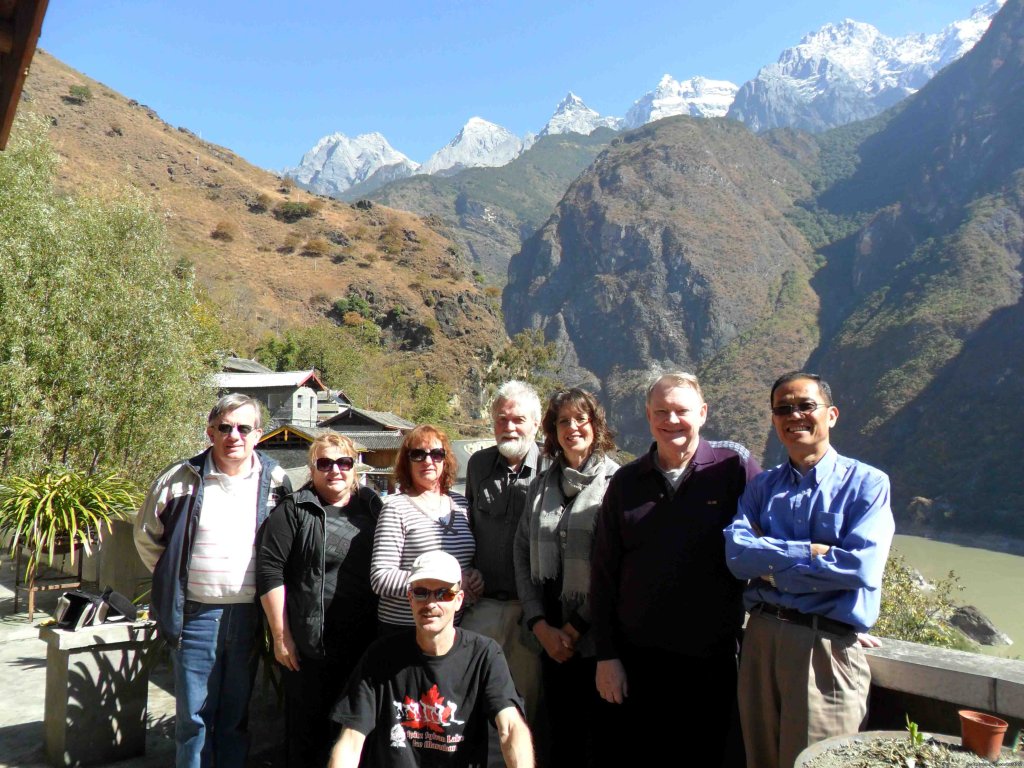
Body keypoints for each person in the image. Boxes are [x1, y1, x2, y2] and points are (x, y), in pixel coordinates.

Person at [724, 372, 895, 768]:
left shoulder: (867, 484)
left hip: (824, 648)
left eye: (806, 406)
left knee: (818, 761)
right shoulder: (761, 488)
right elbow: (736, 557)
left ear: (831, 415)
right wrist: (809, 551)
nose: (794, 415)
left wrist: (771, 569)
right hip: (761, 641)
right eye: (783, 409)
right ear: (773, 420)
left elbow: (858, 567)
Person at [590, 373, 760, 767]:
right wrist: (607, 656)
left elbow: (776, 537)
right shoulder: (627, 482)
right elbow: (603, 574)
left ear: (702, 413)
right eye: (661, 412)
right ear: (648, 416)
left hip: (713, 663)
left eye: (681, 411)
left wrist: (826, 605)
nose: (671, 421)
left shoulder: (734, 470)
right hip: (639, 665)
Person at [134, 394, 292, 768]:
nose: (233, 435)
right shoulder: (180, 479)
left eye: (243, 428)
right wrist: (176, 575)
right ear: (210, 432)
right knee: (193, 720)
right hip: (194, 615)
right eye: (224, 427)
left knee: (235, 715)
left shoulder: (277, 482)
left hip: (249, 617)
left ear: (259, 434)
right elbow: (146, 535)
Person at [328, 551, 534, 768]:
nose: (431, 603)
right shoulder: (380, 656)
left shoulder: (484, 654)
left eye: (443, 594)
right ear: (410, 598)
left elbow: (511, 728)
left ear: (459, 600)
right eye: (421, 592)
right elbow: (351, 740)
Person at [256, 433, 383, 768]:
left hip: (365, 645)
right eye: (324, 463)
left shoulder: (372, 506)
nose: (335, 471)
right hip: (311, 647)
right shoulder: (294, 510)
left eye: (344, 463)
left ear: (355, 467)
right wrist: (281, 638)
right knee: (308, 738)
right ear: (312, 469)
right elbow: (270, 571)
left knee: (358, 734)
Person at [513, 387, 618, 766]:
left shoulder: (616, 484)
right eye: (563, 421)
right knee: (558, 734)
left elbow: (614, 567)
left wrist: (573, 630)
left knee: (599, 737)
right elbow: (521, 552)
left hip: (595, 634)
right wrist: (539, 623)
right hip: (548, 634)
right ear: (552, 431)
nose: (572, 427)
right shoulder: (541, 485)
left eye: (580, 419)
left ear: (595, 425)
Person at [462, 381, 545, 722]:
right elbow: (467, 525)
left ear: (536, 424)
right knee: (473, 702)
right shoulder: (478, 465)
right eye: (501, 419)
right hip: (483, 607)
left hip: (530, 613)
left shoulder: (552, 468)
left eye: (518, 419)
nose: (508, 427)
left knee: (526, 708)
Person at [371, 424, 482, 633]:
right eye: (418, 454)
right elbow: (381, 577)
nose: (428, 461)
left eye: (437, 454)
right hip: (406, 628)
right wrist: (448, 584)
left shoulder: (461, 504)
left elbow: (467, 563)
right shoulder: (396, 508)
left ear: (445, 460)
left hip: (451, 628)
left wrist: (475, 577)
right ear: (407, 461)